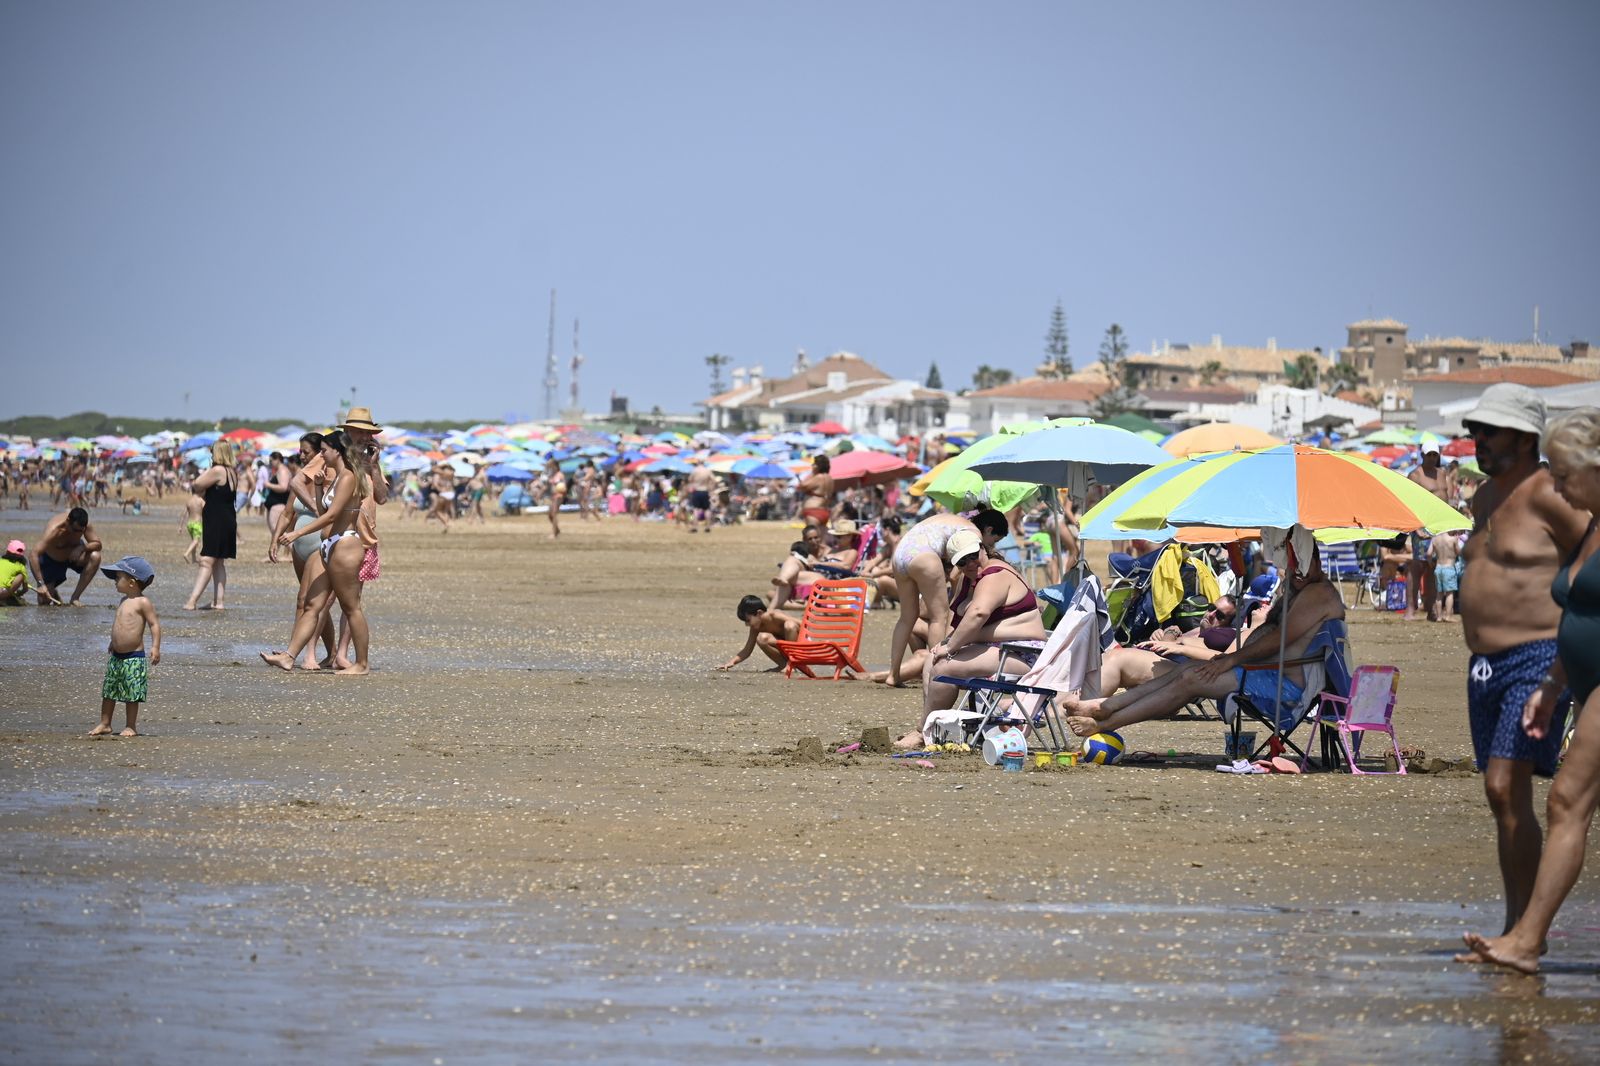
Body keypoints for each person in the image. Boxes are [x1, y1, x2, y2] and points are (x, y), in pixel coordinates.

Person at [1455, 391, 1593, 966]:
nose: (1479, 439)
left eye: (1491, 430)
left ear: (1525, 437)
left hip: (1537, 658)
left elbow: (1592, 545)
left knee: (1505, 786)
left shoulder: (1551, 492)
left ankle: (1525, 932)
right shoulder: (1485, 495)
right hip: (1483, 665)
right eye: (1475, 428)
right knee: (1502, 797)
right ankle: (1514, 927)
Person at [1065, 541, 1344, 738]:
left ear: (1312, 561)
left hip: (1283, 688)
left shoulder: (1317, 593)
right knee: (1188, 669)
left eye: (1294, 561)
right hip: (1267, 673)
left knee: (1191, 679)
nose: (1290, 568)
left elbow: (1278, 641)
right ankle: (1107, 706)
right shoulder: (1304, 590)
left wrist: (1230, 660)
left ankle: (1104, 725)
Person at [894, 531, 1046, 747]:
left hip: (1025, 655)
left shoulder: (995, 575)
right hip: (1002, 649)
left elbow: (978, 613)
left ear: (983, 548)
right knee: (931, 661)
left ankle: (923, 733)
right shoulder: (971, 578)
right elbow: (957, 618)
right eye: (962, 562)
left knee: (944, 668)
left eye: (973, 555)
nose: (970, 563)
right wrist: (946, 644)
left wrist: (952, 646)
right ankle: (933, 728)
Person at [262, 430, 372, 675]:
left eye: (324, 450)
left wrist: (297, 534)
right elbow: (325, 509)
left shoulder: (349, 478)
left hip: (344, 546)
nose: (321, 454)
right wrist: (321, 487)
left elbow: (332, 517)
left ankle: (362, 664)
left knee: (351, 607)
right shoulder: (338, 477)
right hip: (329, 546)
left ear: (337, 450)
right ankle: (289, 657)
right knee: (312, 604)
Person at [269, 433, 340, 670]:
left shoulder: (327, 478)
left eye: (306, 452)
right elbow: (288, 513)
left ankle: (298, 653)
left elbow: (330, 511)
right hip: (299, 547)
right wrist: (274, 541)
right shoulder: (302, 479)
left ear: (319, 453)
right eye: (300, 451)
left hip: (318, 545)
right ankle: (322, 652)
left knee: (309, 600)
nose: (302, 455)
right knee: (306, 603)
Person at [885, 513, 981, 686]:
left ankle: (893, 674)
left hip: (901, 553)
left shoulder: (946, 519)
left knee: (907, 617)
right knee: (939, 617)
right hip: (924, 556)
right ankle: (935, 672)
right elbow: (955, 572)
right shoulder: (974, 533)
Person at [91, 556, 160, 737]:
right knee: (109, 691)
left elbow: (154, 624)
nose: (114, 581)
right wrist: (112, 642)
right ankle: (105, 723)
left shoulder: (143, 602)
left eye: (117, 578)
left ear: (131, 582)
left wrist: (155, 647)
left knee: (132, 693)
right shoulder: (123, 601)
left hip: (133, 657)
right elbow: (119, 625)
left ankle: (131, 726)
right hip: (117, 656)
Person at [183, 441, 239, 611]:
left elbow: (197, 484)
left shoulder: (217, 470)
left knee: (207, 560)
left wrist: (210, 467)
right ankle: (218, 601)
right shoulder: (232, 472)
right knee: (218, 562)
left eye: (212, 452)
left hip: (217, 520)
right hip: (228, 519)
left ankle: (192, 601)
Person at [1407, 445, 1451, 620]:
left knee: (1436, 566)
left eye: (1435, 455)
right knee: (1418, 566)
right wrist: (1416, 526)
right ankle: (1410, 609)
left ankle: (1431, 607)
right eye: (1429, 455)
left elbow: (1449, 499)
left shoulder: (1442, 473)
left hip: (1441, 524)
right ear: (1423, 455)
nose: (1432, 458)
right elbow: (1408, 501)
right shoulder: (1416, 475)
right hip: (1423, 523)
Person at [32, 506, 102, 606]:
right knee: (44, 602)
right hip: (52, 561)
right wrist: (40, 584)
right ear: (68, 521)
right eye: (74, 530)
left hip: (75, 557)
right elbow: (33, 555)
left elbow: (98, 544)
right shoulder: (54, 529)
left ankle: (75, 597)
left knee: (95, 556)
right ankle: (51, 587)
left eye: (80, 531)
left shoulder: (84, 525)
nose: (77, 533)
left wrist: (82, 548)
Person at [716, 595, 802, 671]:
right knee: (762, 638)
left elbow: (800, 624)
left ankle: (791, 664)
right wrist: (731, 662)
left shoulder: (773, 615)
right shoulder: (756, 627)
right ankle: (783, 665)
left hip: (799, 645)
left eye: (748, 620)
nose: (747, 624)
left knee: (789, 624)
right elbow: (747, 650)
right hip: (786, 648)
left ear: (759, 613)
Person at [261, 452, 291, 561]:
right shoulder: (279, 470)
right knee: (275, 532)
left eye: (271, 460)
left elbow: (283, 487)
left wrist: (268, 484)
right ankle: (273, 554)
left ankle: (295, 551)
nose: (270, 463)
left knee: (278, 531)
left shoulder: (283, 470)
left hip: (278, 504)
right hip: (274, 503)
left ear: (278, 459)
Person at [1430, 530, 1465, 621]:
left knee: (1439, 594)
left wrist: (1430, 562)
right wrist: (1457, 541)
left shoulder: (1434, 539)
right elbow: (1459, 552)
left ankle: (1439, 617)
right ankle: (1448, 616)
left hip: (1438, 568)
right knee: (1449, 593)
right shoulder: (1453, 539)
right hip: (1449, 567)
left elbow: (1428, 553)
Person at [798, 454, 835, 529]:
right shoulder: (830, 479)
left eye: (814, 464)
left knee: (811, 536)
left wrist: (812, 474)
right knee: (821, 537)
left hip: (813, 511)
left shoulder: (818, 477)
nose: (812, 466)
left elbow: (801, 486)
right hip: (824, 509)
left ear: (818, 466)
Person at [685, 459, 717, 534]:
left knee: (696, 509)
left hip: (697, 491)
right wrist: (711, 487)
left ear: (697, 463)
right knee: (707, 509)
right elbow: (714, 480)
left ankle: (695, 527)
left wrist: (693, 486)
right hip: (705, 491)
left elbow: (690, 480)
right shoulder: (707, 470)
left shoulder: (694, 470)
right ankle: (708, 527)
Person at [1, 538, 31, 604]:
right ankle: (5, 597)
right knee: (21, 576)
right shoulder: (21, 566)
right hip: (2, 593)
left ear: (7, 551)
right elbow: (25, 589)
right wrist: (19, 593)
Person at [544, 457, 566, 539]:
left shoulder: (560, 475)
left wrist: (561, 489)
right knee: (550, 514)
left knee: (553, 513)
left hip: (559, 495)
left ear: (556, 466)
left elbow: (564, 487)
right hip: (553, 496)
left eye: (552, 466)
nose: (551, 468)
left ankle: (554, 534)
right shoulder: (552, 475)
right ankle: (557, 530)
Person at [182, 488, 204, 565]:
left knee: (194, 541)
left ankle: (194, 559)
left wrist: (180, 527)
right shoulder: (201, 500)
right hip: (197, 524)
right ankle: (186, 554)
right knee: (196, 541)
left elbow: (184, 515)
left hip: (189, 524)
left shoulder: (189, 501)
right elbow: (207, 512)